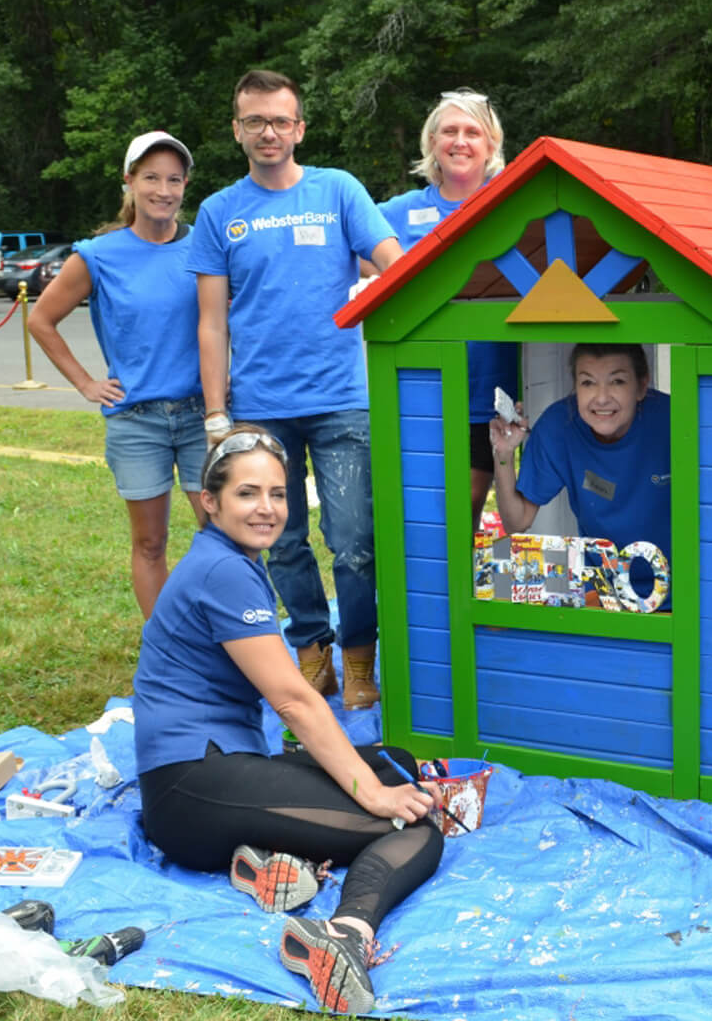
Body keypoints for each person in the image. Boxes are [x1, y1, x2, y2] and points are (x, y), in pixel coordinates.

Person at [134, 425, 443, 1015]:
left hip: (205, 776)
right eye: (248, 494)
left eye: (278, 494)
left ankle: (267, 864)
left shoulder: (226, 558)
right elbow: (295, 701)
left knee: (396, 764)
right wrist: (372, 796)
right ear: (211, 502)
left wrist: (376, 778)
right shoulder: (222, 571)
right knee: (413, 828)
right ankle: (344, 934)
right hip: (194, 789)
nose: (267, 508)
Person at [191, 69, 403, 710]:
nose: (269, 132)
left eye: (281, 120)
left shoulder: (337, 191)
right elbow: (211, 321)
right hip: (259, 409)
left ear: (300, 128)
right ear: (237, 130)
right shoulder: (219, 212)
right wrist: (217, 417)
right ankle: (313, 655)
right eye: (254, 121)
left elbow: (395, 264)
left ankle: (359, 659)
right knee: (277, 541)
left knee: (355, 540)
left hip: (341, 398)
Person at [29, 131, 207, 619]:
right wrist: (86, 383)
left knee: (219, 536)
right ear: (129, 181)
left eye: (174, 179)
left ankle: (221, 637)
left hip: (202, 415)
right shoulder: (98, 255)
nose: (163, 190)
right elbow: (40, 320)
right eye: (151, 177)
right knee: (150, 543)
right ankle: (166, 646)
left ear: (185, 185)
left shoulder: (204, 247)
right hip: (136, 420)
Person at [376, 88, 518, 530]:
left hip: (490, 389)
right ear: (432, 142)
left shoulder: (512, 201)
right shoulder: (400, 212)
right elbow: (350, 255)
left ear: (491, 144)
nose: (461, 141)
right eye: (450, 131)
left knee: (465, 505)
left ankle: (459, 594)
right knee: (420, 507)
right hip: (420, 387)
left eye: (473, 132)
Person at [489, 344, 669, 600]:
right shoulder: (558, 427)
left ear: (641, 387)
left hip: (685, 591)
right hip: (606, 592)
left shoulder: (674, 421)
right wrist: (504, 455)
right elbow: (516, 521)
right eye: (588, 383)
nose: (602, 397)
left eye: (617, 381)